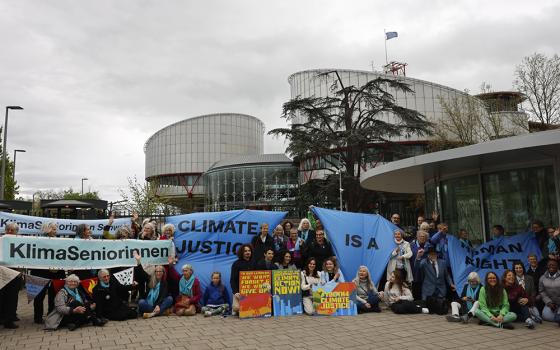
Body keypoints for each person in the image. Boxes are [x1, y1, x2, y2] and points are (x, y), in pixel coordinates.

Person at [31, 222, 66, 324]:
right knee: (39, 296)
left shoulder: (59, 241)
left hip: (56, 272)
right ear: (47, 229)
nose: (56, 231)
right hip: (40, 272)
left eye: (56, 229)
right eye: (53, 229)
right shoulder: (38, 241)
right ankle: (37, 317)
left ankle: (51, 314)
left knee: (54, 294)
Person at [134, 253, 173, 318]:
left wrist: (158, 305)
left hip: (159, 304)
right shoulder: (150, 279)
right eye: (156, 271)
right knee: (141, 302)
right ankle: (161, 312)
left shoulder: (164, 283)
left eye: (160, 271)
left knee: (170, 299)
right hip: (149, 304)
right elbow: (141, 272)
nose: (158, 273)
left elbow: (163, 296)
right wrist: (138, 261)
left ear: (163, 273)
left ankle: (152, 314)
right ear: (154, 272)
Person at [418, 247, 455, 314]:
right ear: (428, 255)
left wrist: (451, 284)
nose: (433, 256)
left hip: (440, 289)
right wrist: (418, 257)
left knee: (441, 308)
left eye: (434, 254)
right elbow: (419, 266)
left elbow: (447, 275)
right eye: (431, 254)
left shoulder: (442, 262)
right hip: (428, 290)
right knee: (427, 309)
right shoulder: (424, 263)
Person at [0, 223, 22, 329]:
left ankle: (9, 319)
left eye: (12, 230)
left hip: (14, 274)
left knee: (12, 298)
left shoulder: (21, 242)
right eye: (8, 229)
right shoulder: (1, 240)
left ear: (16, 232)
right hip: (2, 273)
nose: (9, 231)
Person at [230, 244, 254, 316]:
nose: (247, 252)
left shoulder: (255, 262)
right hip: (240, 292)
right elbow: (232, 280)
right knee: (236, 308)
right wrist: (235, 292)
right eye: (245, 251)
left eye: (249, 251)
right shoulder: (236, 264)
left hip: (252, 291)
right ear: (242, 253)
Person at [539, 259, 560, 324]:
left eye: (553, 265)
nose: (551, 266)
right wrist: (549, 302)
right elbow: (542, 291)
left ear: (557, 266)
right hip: (551, 303)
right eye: (549, 265)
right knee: (546, 317)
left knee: (556, 318)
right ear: (547, 266)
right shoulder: (542, 278)